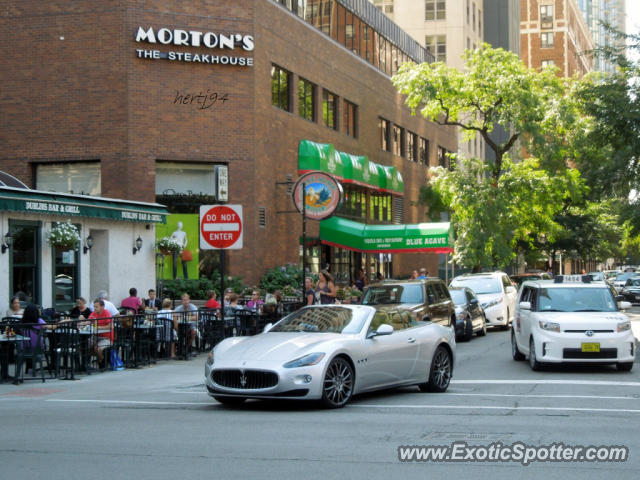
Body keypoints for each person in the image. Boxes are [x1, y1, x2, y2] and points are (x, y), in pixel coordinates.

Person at [88, 299, 113, 365]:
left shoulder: (107, 313)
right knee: (84, 346)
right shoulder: (94, 313)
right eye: (94, 307)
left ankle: (101, 359)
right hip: (96, 336)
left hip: (106, 337)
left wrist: (100, 327)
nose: (94, 308)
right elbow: (89, 321)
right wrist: (83, 321)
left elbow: (111, 326)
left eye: (96, 307)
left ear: (102, 307)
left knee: (98, 349)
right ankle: (85, 365)